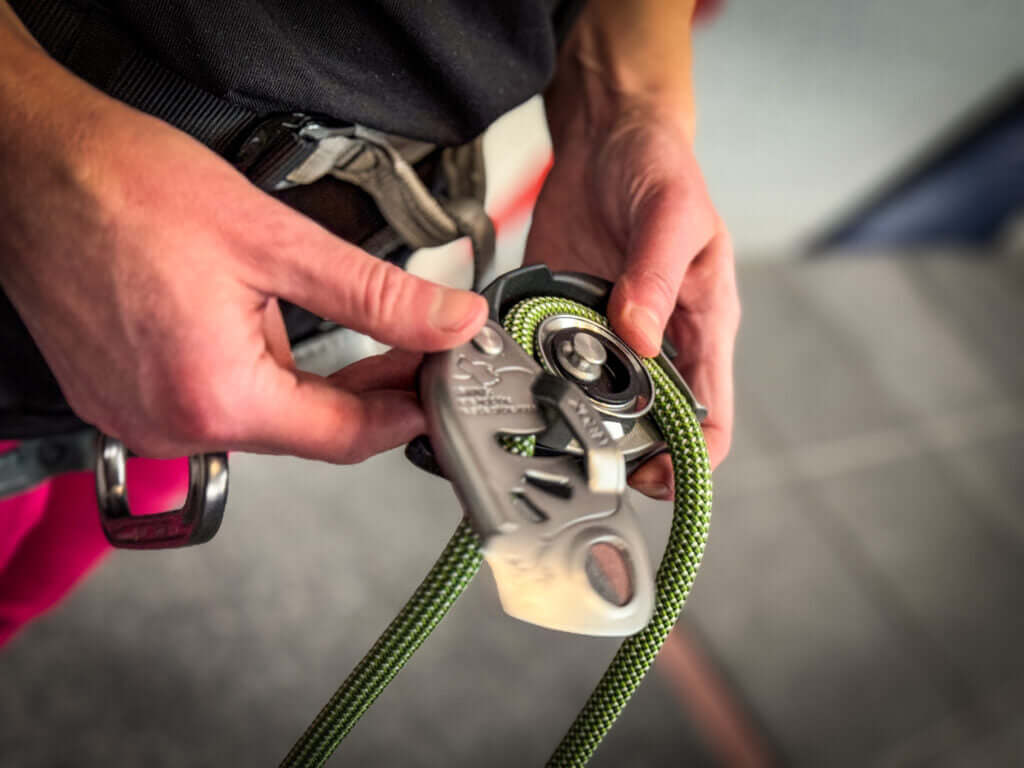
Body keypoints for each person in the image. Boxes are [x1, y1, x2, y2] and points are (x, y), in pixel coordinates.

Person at [0, 0, 738, 637]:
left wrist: (626, 109)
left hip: (225, 305)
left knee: (40, 570)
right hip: (51, 186)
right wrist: (35, 145)